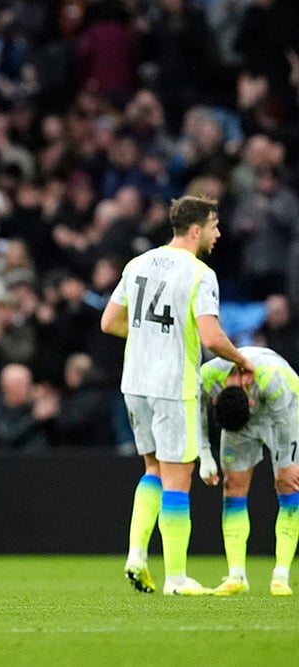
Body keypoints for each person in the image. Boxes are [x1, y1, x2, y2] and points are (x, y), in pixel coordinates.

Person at [101, 194, 255, 596]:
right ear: (195, 229)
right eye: (214, 226)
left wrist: (150, 337)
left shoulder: (138, 264)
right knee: (177, 479)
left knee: (152, 470)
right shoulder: (200, 273)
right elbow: (210, 336)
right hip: (172, 386)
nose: (218, 234)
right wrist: (242, 360)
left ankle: (136, 554)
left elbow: (109, 322)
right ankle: (175, 578)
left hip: (134, 382)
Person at [197, 346, 299, 596]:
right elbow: (195, 408)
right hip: (238, 419)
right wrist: (204, 453)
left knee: (289, 484)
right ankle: (236, 576)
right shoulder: (208, 376)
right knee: (232, 486)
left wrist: (287, 464)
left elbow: (284, 427)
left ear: (250, 400)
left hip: (286, 412)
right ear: (216, 398)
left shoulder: (274, 381)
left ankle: (281, 575)